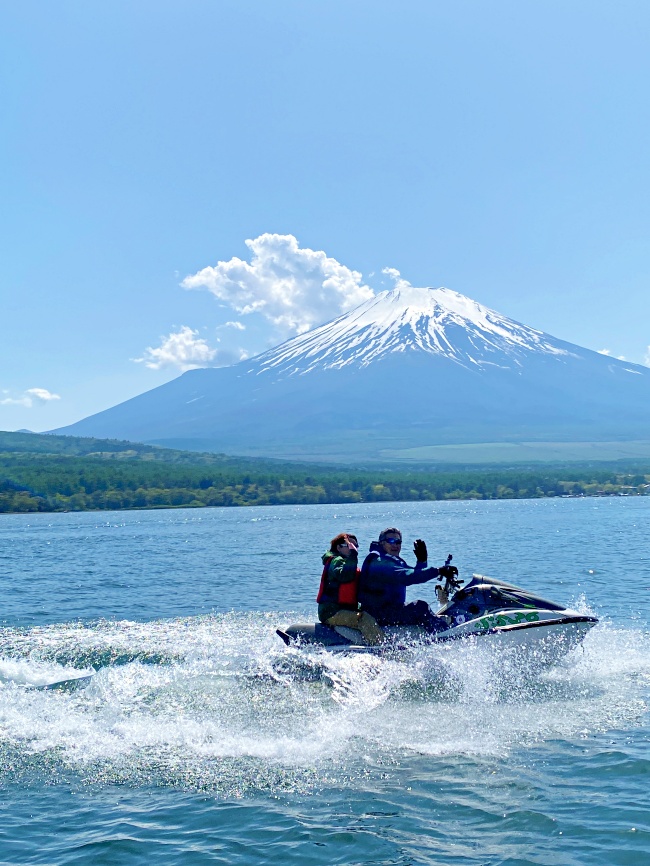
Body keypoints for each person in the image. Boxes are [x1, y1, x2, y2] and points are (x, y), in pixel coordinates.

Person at [358, 527, 457, 631]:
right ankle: (446, 635)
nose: (395, 545)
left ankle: (440, 629)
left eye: (398, 542)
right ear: (382, 543)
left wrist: (421, 561)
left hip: (389, 609)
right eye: (391, 541)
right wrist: (438, 571)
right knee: (420, 607)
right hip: (378, 614)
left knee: (420, 608)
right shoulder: (379, 562)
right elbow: (406, 576)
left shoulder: (390, 560)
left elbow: (414, 574)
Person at [317, 532, 384, 645]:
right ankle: (381, 648)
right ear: (338, 547)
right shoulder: (336, 561)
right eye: (350, 546)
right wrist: (353, 555)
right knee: (363, 619)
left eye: (356, 546)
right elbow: (344, 575)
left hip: (344, 610)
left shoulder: (348, 563)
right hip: (332, 612)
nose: (354, 549)